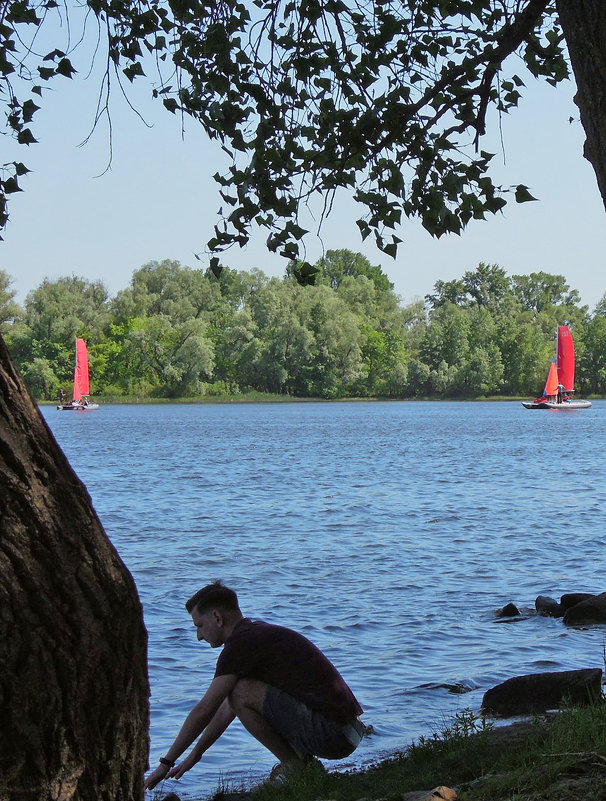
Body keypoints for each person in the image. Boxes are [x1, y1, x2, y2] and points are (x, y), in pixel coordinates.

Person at [143, 581, 364, 791]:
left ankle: (295, 767)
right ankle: (303, 764)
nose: (199, 636)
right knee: (238, 692)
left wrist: (165, 763)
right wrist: (195, 754)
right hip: (346, 731)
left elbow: (205, 710)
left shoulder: (240, 645)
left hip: (333, 734)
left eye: (200, 626)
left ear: (217, 617)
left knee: (239, 692)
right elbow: (225, 710)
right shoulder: (253, 633)